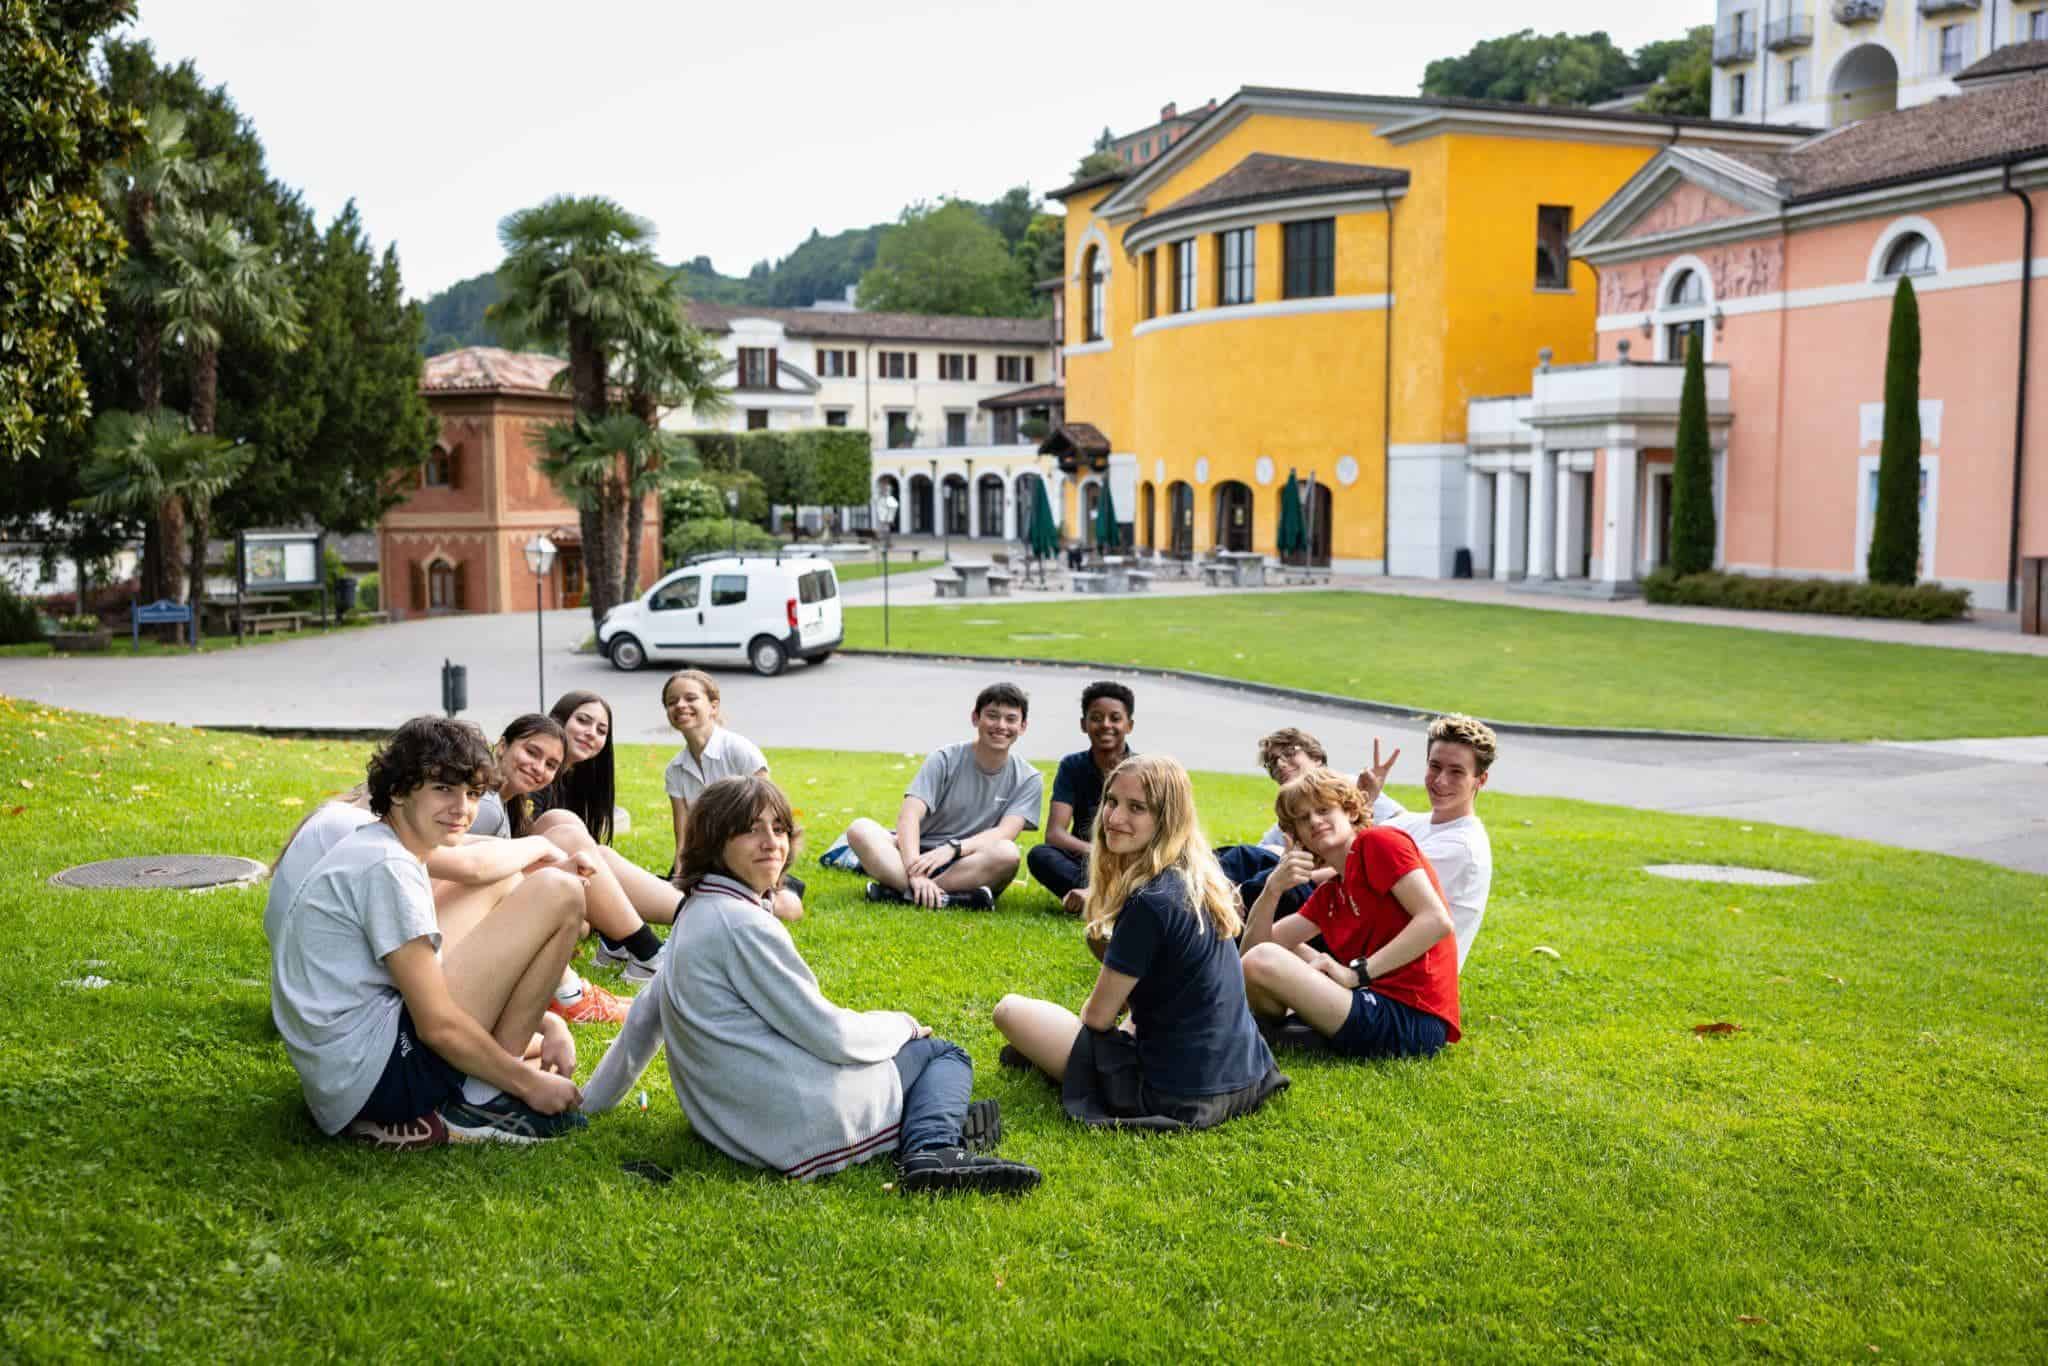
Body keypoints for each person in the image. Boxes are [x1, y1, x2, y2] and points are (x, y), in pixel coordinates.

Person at [583, 775, 1040, 1193]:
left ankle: (932, 1122)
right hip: (794, 1125)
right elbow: (831, 1034)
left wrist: (587, 1106)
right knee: (942, 1054)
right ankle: (934, 1150)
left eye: (779, 829)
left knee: (917, 1071)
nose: (771, 843)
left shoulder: (694, 911)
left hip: (733, 1122)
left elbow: (645, 1017)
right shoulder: (742, 924)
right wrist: (900, 1024)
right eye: (750, 829)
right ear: (714, 841)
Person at [270, 716, 594, 1149]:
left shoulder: (383, 846)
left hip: (348, 1072)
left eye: (473, 793)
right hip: (373, 1082)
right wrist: (526, 1085)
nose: (462, 808)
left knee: (513, 882)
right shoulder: (389, 868)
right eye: (444, 788)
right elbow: (437, 1026)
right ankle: (482, 1100)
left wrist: (549, 1022)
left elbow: (430, 982)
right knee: (562, 891)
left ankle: (484, 1084)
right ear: (400, 790)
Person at [992, 756, 1288, 1130]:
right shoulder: (1198, 879)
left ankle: (1040, 1053)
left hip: (1178, 1095)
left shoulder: (1151, 901)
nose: (1114, 818)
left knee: (1009, 1010)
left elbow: (1097, 1019)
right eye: (1112, 802)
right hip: (1245, 1075)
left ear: (1166, 819)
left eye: (1136, 808)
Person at [1239, 769, 1460, 1060]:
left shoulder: (1378, 843)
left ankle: (1271, 1029)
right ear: (1298, 836)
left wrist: (1356, 973)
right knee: (1269, 951)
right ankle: (1280, 1029)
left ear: (1351, 812)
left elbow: (1436, 920)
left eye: (1323, 810)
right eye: (1304, 819)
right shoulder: (1333, 891)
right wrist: (1272, 889)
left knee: (1263, 960)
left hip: (1414, 1017)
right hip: (1373, 1001)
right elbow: (1254, 950)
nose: (1315, 821)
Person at [468, 714, 639, 1025]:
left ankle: (577, 990)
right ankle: (573, 995)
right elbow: (466, 877)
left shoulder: (504, 806)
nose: (539, 768)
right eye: (532, 753)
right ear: (502, 746)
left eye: (550, 765)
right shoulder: (487, 808)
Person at [844, 682, 1042, 910]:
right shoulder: (944, 759)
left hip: (969, 860)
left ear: (1023, 726)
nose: (1000, 725)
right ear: (975, 718)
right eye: (992, 716)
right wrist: (915, 870)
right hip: (917, 855)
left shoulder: (1028, 778)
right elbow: (909, 816)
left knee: (1008, 853)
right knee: (860, 829)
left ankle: (907, 894)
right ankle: (940, 897)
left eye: (1010, 719)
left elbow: (1004, 833)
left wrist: (953, 848)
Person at [1351, 715, 1497, 968]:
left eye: (1456, 772)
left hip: (1401, 976)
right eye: (1435, 767)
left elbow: (1356, 888)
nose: (1441, 781)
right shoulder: (1414, 824)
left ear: (1480, 780)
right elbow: (1353, 849)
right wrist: (1366, 801)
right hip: (1365, 947)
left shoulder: (1461, 848)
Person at [660, 670, 802, 923]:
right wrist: (680, 881)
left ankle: (762, 898)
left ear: (713, 706)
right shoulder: (675, 770)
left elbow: (770, 817)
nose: (681, 705)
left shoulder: (740, 750)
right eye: (672, 702)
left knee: (788, 907)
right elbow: (683, 837)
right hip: (707, 858)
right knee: (671, 900)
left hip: (749, 855)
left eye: (690, 698)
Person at [1025, 681, 1135, 914]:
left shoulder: (1143, 769)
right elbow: (1055, 834)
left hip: (1129, 860)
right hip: (1086, 859)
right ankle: (1110, 898)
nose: (1106, 725)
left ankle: (1102, 897)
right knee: (1040, 856)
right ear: (1084, 724)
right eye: (1096, 718)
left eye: (1115, 718)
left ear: (1129, 725)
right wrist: (1097, 852)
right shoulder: (1072, 766)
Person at [1213, 727, 1339, 921]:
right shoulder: (1286, 820)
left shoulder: (1346, 790)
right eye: (1272, 762)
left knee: (1249, 864)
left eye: (1290, 753)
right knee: (1239, 857)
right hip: (1295, 885)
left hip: (1319, 890)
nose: (1280, 764)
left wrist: (1295, 874)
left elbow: (1356, 862)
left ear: (1316, 758)